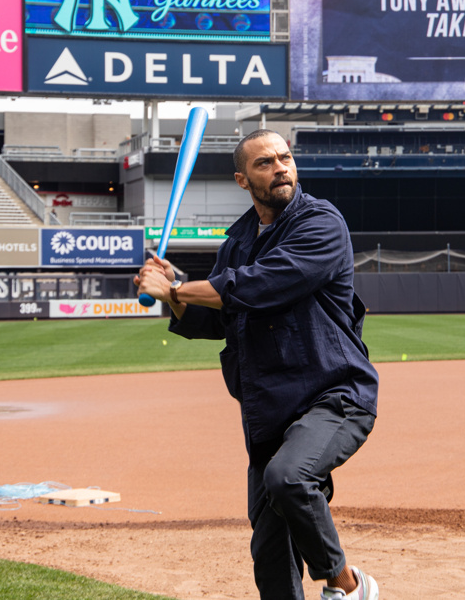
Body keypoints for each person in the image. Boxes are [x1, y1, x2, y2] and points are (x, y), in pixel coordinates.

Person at [135, 129, 380, 600]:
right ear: (242, 180)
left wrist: (179, 289)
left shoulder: (320, 223)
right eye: (265, 163)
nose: (280, 167)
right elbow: (219, 319)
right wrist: (175, 293)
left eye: (284, 158)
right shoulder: (238, 243)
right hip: (268, 408)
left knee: (289, 478)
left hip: (334, 395)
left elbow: (262, 285)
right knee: (269, 552)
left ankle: (346, 584)